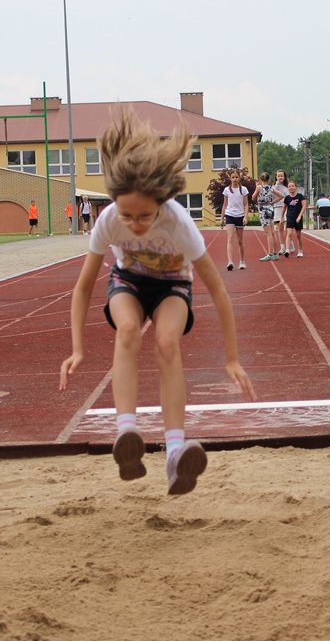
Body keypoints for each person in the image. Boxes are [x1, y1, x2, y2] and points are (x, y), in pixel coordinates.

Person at [57, 109, 255, 495]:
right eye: (126, 216)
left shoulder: (178, 223)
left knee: (167, 342)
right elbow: (83, 288)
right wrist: (77, 349)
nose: (134, 224)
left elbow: (218, 290)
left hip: (172, 284)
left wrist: (232, 358)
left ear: (162, 203)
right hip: (127, 281)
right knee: (128, 330)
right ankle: (127, 435)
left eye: (144, 215)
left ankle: (175, 454)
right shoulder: (108, 220)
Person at [221, 170, 249, 270]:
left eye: (236, 177)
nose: (235, 179)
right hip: (229, 215)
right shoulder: (226, 190)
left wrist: (245, 216)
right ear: (230, 178)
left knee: (240, 241)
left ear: (239, 178)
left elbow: (246, 204)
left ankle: (242, 261)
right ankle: (230, 262)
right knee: (230, 239)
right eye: (233, 177)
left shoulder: (243, 189)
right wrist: (222, 218)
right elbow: (225, 205)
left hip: (240, 216)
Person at [254, 172, 279, 260]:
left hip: (263, 209)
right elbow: (281, 196)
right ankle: (275, 253)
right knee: (272, 232)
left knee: (268, 233)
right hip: (270, 208)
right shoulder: (271, 188)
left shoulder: (259, 187)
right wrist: (272, 202)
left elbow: (253, 197)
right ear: (269, 179)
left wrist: (256, 188)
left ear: (261, 179)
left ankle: (270, 254)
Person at [283, 181, 306, 257]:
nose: (291, 187)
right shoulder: (287, 198)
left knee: (298, 235)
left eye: (292, 186)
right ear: (288, 188)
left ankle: (300, 250)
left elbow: (304, 206)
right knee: (289, 233)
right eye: (289, 186)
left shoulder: (300, 196)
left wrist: (299, 216)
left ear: (295, 187)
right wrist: (281, 218)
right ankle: (287, 250)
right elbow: (284, 208)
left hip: (298, 218)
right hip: (290, 217)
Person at [271, 169, 292, 255]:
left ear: (284, 177)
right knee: (280, 228)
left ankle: (290, 244)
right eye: (278, 176)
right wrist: (276, 184)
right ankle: (282, 246)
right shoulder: (274, 187)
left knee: (288, 228)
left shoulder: (287, 187)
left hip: (287, 208)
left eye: (281, 176)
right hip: (278, 208)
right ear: (276, 177)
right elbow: (272, 194)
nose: (280, 177)